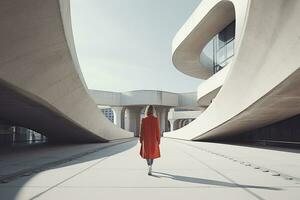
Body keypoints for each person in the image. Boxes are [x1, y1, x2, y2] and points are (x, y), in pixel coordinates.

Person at [139, 105, 161, 175]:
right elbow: (158, 130)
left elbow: (141, 131)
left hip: (146, 140)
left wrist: (141, 139)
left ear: (147, 111)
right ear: (153, 111)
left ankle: (148, 165)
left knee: (146, 154)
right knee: (152, 153)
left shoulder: (144, 120)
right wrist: (158, 140)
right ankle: (151, 166)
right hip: (153, 139)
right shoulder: (156, 119)